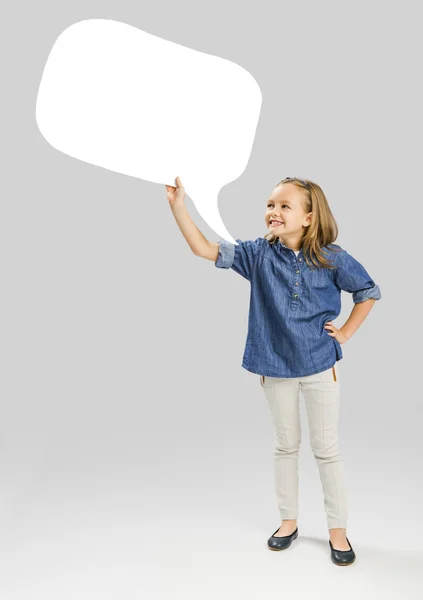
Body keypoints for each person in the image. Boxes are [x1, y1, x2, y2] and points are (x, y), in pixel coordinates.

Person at [167, 175, 381, 567]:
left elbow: (367, 291)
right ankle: (288, 522)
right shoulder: (257, 255)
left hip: (320, 364)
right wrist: (179, 206)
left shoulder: (332, 257)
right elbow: (202, 248)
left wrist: (347, 332)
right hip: (274, 365)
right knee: (285, 447)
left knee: (327, 449)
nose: (274, 212)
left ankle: (338, 530)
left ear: (309, 217)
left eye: (285, 206)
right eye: (270, 204)